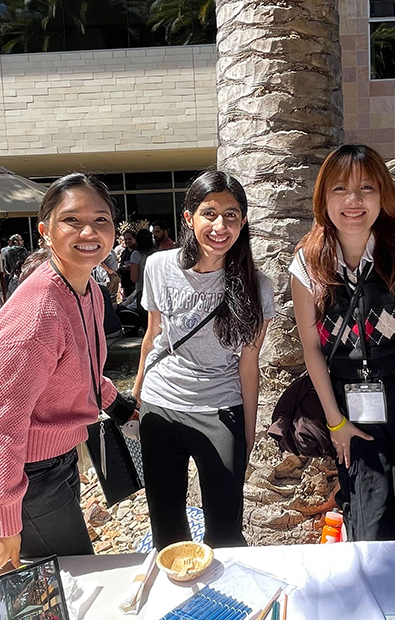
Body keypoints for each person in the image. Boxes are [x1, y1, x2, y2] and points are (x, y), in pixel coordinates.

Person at [0, 173, 137, 579]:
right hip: (25, 478)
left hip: (53, 466)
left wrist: (121, 408)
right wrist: (6, 523)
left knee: (69, 583)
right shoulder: (38, 311)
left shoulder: (88, 291)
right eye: (72, 220)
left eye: (101, 220)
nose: (88, 232)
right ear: (45, 231)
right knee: (77, 581)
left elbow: (85, 372)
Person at [289, 144, 395, 542]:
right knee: (368, 521)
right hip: (352, 410)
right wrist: (335, 422)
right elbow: (312, 348)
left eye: (366, 188)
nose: (354, 201)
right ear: (323, 198)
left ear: (383, 194)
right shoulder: (307, 264)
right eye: (340, 190)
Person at [132, 171, 275, 550]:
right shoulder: (158, 266)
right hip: (160, 406)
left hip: (220, 409)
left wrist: (247, 431)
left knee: (226, 531)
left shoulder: (257, 285)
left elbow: (249, 365)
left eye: (231, 215)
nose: (220, 225)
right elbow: (152, 337)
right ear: (189, 217)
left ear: (243, 221)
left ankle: (226, 605)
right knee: (167, 527)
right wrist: (137, 395)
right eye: (209, 213)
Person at [116, 229, 156, 335]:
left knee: (144, 320)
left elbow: (134, 278)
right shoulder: (156, 252)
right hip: (157, 290)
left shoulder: (136, 254)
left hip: (142, 290)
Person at [117, 230, 138, 298]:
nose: (127, 241)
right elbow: (121, 266)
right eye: (126, 239)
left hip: (136, 284)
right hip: (126, 284)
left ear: (135, 239)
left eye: (129, 239)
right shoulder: (124, 253)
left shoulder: (138, 252)